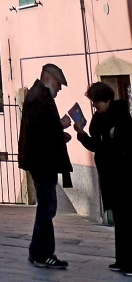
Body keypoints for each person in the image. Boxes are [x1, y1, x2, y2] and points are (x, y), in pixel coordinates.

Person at [18, 62, 73, 269]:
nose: (59, 89)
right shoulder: (39, 98)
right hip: (42, 162)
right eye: (58, 84)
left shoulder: (38, 96)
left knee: (47, 207)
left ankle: (37, 251)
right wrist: (61, 125)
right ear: (48, 79)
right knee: (47, 208)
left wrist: (59, 133)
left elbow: (43, 131)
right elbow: (40, 130)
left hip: (41, 161)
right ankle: (43, 254)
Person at [74, 81, 132, 275]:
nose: (94, 106)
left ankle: (130, 263)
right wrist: (81, 134)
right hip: (109, 176)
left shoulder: (122, 119)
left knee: (127, 220)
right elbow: (97, 146)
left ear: (107, 100)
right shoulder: (100, 119)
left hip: (123, 176)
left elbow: (122, 148)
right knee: (120, 221)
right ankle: (122, 260)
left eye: (97, 102)